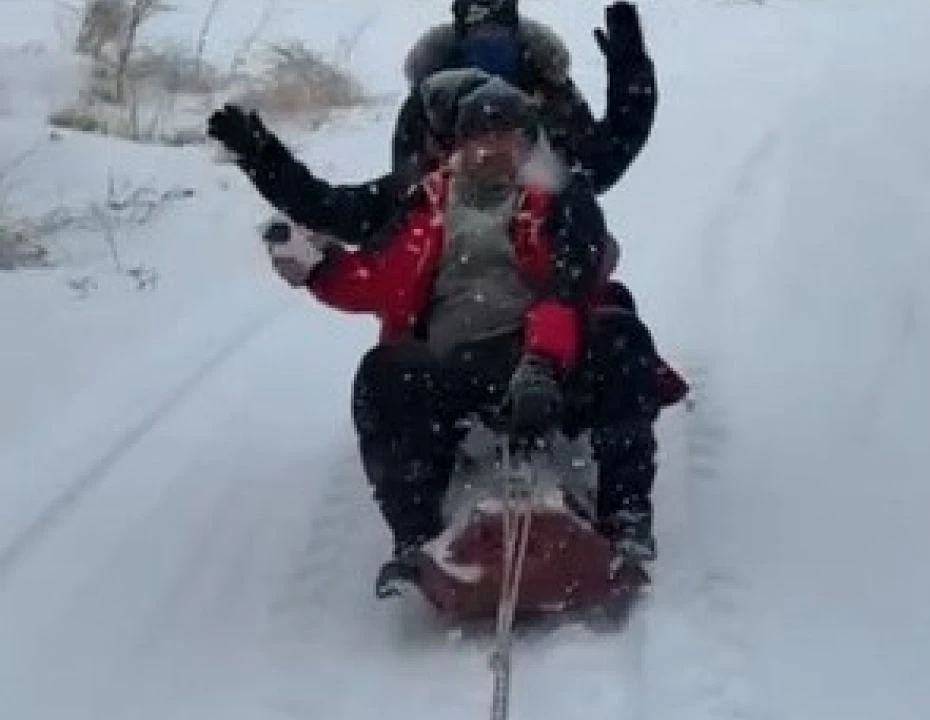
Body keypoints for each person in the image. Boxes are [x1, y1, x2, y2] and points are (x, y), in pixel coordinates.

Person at [206, 77, 663, 598]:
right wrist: (262, 157)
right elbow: (327, 208)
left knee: (622, 338)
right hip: (456, 362)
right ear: (458, 145)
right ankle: (416, 539)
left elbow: (570, 286)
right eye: (481, 137)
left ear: (529, 143)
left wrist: (540, 364)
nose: (493, 150)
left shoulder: (563, 199)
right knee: (383, 374)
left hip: (549, 357)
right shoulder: (417, 199)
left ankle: (626, 518)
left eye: (508, 136)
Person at [392, 0, 656, 195]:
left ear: (514, 33)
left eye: (498, 33)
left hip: (546, 242)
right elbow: (406, 194)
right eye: (478, 35)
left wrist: (630, 77)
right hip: (451, 246)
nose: (489, 42)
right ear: (461, 38)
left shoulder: (550, 93)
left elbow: (600, 163)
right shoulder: (432, 103)